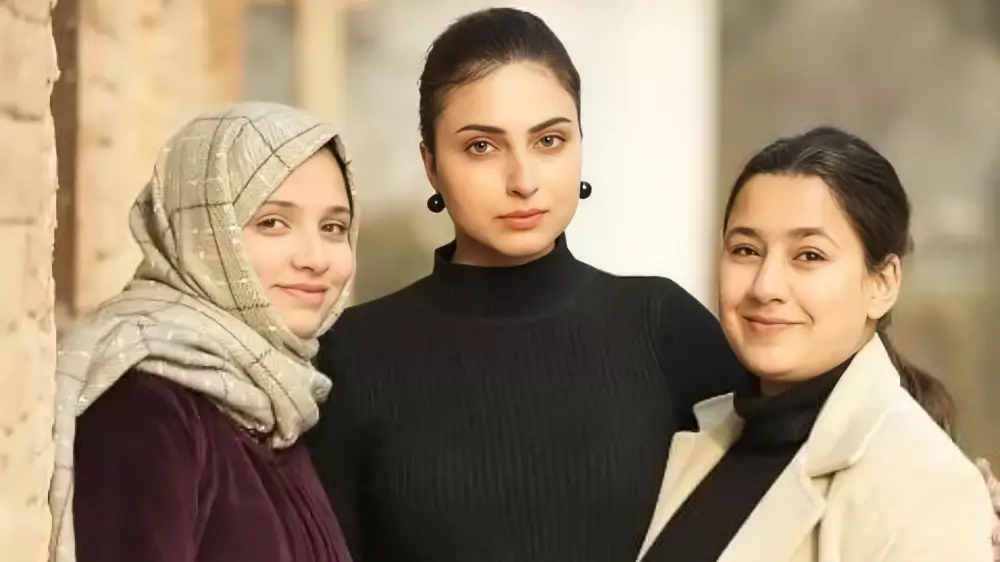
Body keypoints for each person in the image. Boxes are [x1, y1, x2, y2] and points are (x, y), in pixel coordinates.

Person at [306, 7, 748, 562]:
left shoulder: (663, 328)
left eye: (549, 141)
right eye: (482, 147)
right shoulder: (351, 356)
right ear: (431, 166)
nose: (524, 181)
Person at [636, 126, 996, 562]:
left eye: (809, 256)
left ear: (882, 283)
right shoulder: (690, 439)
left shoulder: (930, 487)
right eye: (746, 250)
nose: (765, 286)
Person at [50, 102, 357, 562]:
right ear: (206, 229)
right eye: (273, 222)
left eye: (334, 227)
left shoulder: (277, 404)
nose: (316, 257)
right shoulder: (144, 408)